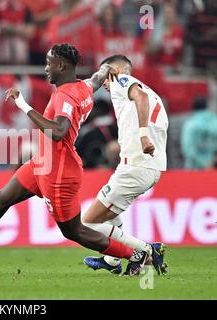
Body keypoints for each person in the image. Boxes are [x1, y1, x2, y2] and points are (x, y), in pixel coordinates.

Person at [0, 44, 153, 276]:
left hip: (59, 172)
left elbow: (59, 130)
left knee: (73, 231)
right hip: (41, 163)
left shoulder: (66, 95)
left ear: (61, 65)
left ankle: (136, 254)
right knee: (0, 199)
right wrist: (107, 67)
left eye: (49, 63)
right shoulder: (83, 87)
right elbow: (97, 77)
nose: (45, 68)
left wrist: (22, 105)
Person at [81, 55, 168, 275]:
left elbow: (139, 97)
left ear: (114, 69)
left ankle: (145, 250)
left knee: (87, 223)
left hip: (136, 167)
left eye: (103, 76)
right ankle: (112, 260)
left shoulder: (122, 81)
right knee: (108, 215)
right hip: (148, 167)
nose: (103, 83)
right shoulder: (153, 94)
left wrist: (142, 135)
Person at [180, 97, 217, 169]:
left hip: (194, 169)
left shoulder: (190, 124)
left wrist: (204, 163)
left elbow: (187, 149)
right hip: (214, 167)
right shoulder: (215, 120)